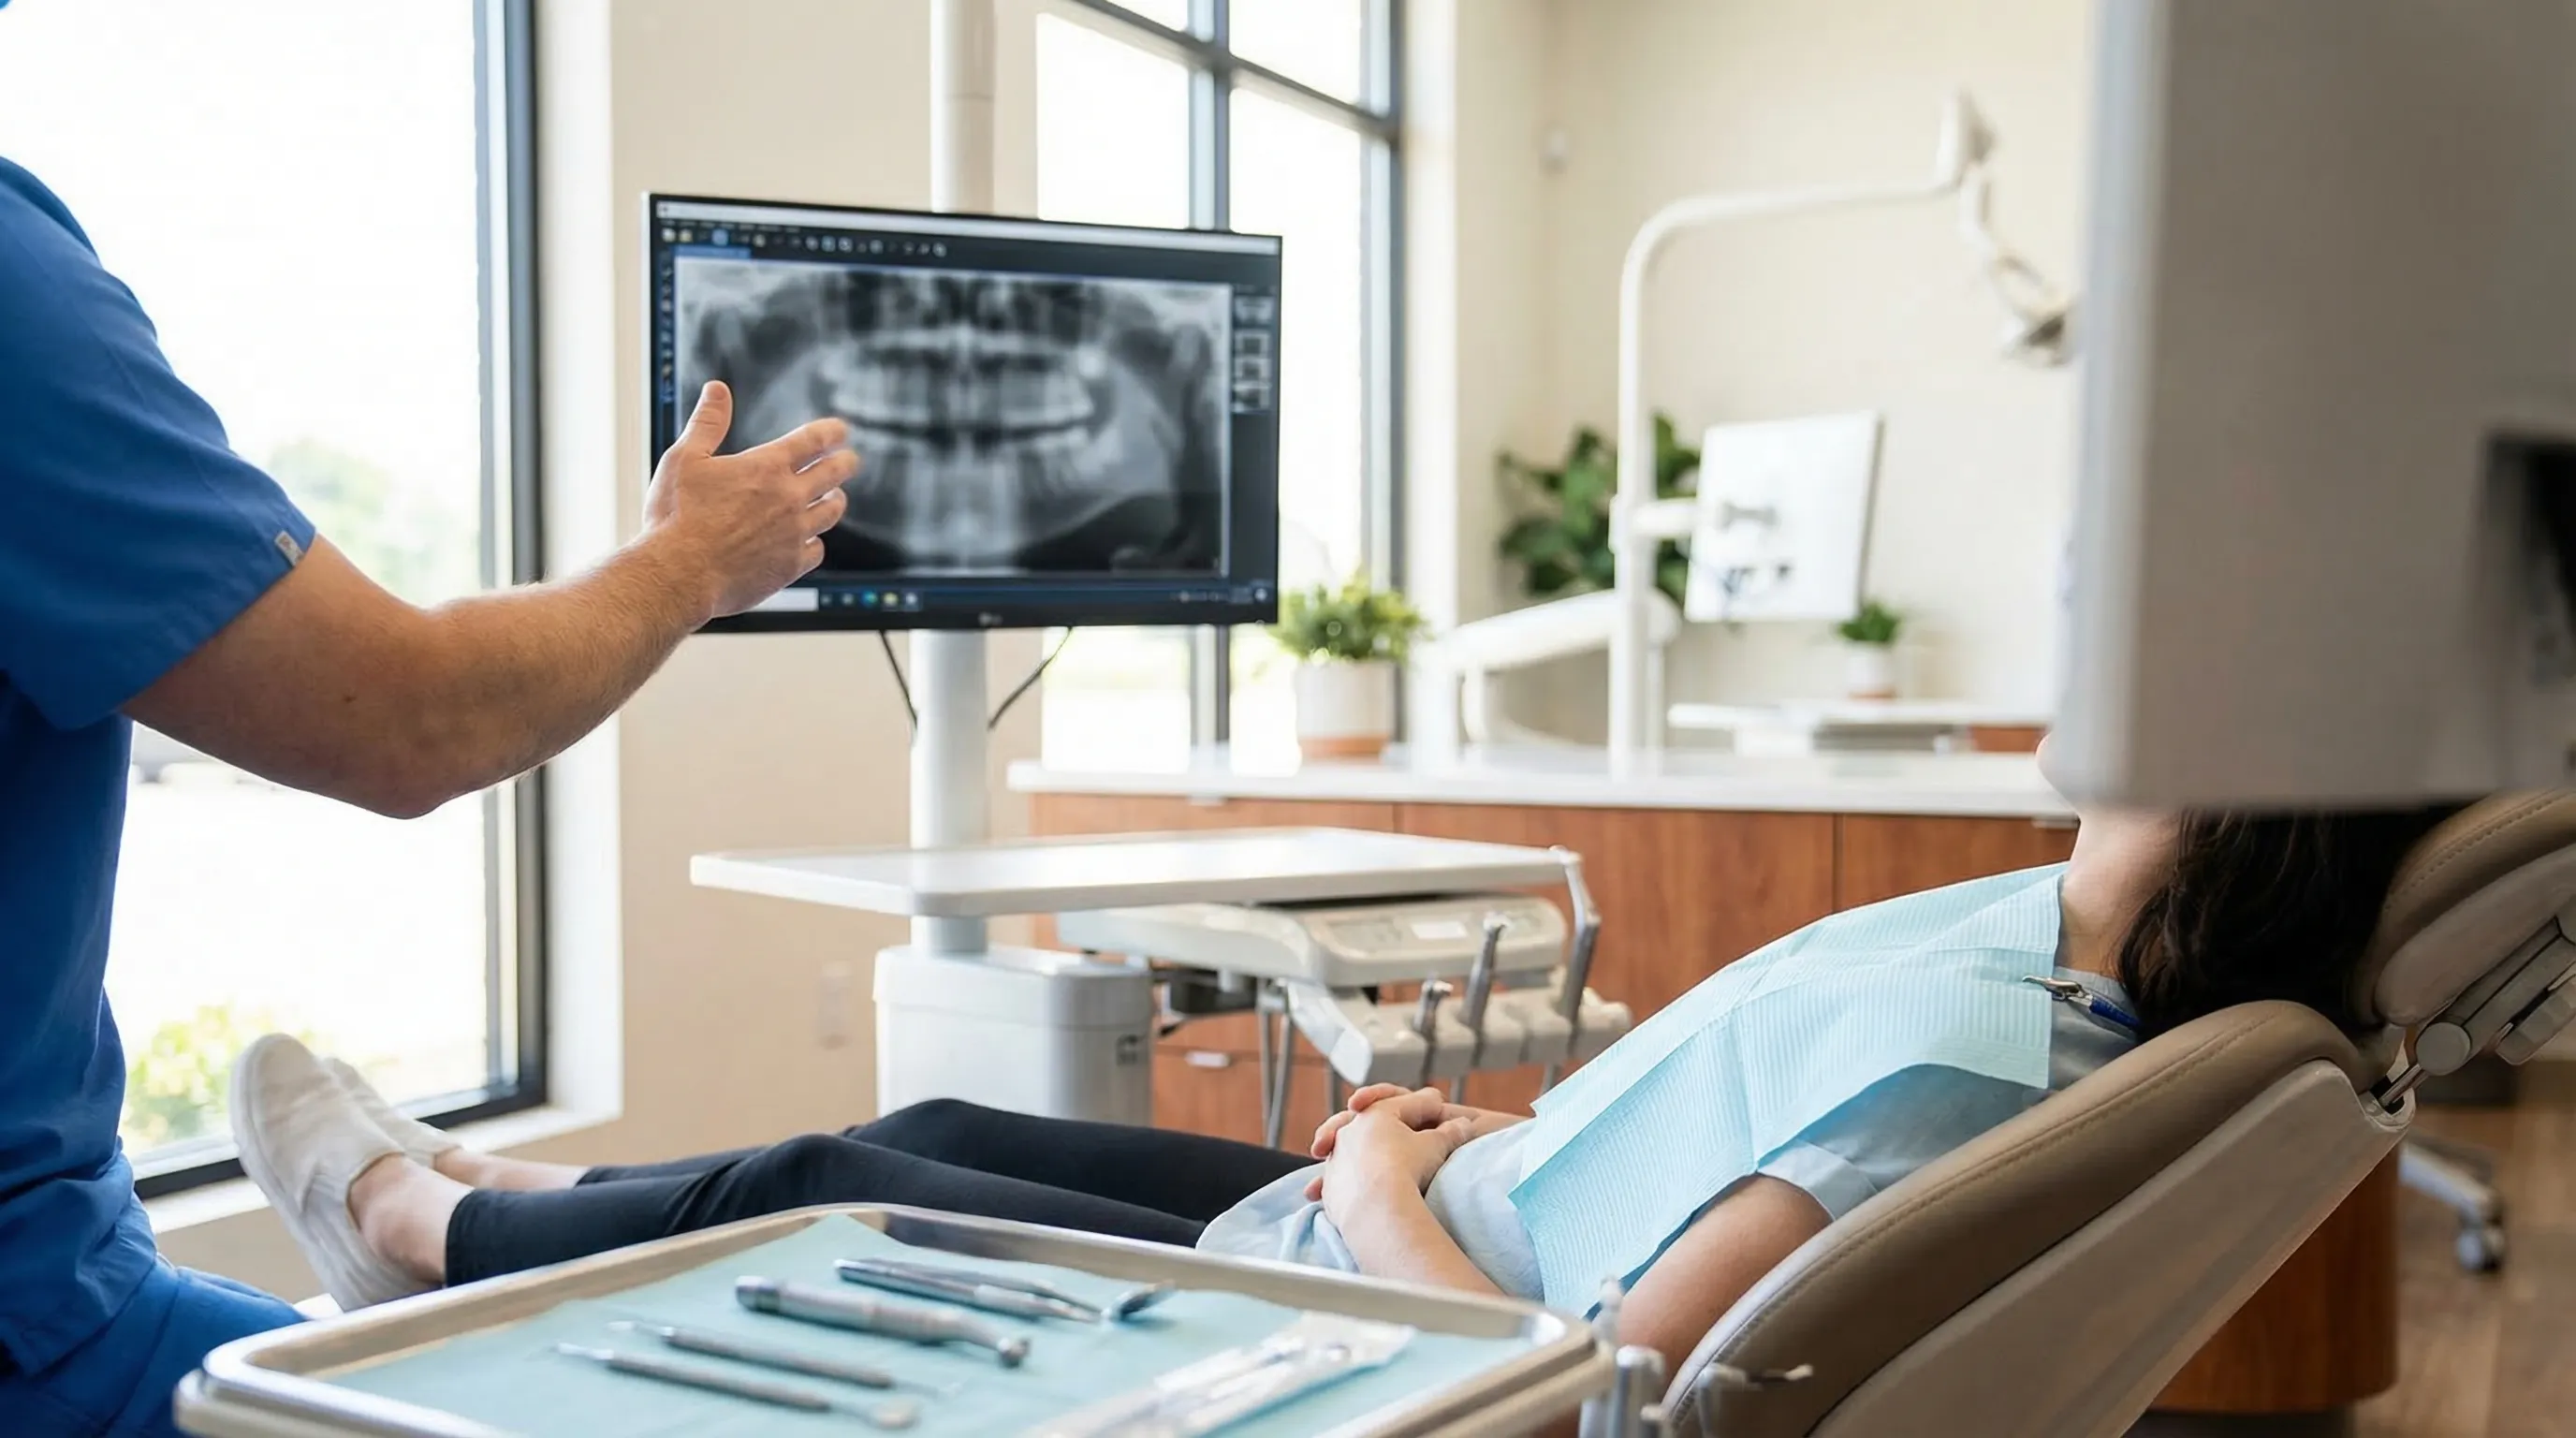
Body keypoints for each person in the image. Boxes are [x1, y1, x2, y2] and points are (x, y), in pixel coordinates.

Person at [233, 795, 2459, 1396]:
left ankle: (415, 1231)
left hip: (1400, 1321)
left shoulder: (1956, 1069)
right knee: (961, 1142)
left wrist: (1396, 1179)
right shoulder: (2014, 965)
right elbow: (1717, 1128)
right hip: (1466, 1209)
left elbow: (1590, 1385)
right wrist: (1497, 1140)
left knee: (852, 1175)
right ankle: (496, 1188)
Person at [0, 154, 858, 1437]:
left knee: (895, 1149)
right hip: (42, 1336)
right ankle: (426, 1210)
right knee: (825, 1183)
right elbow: (408, 717)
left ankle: (437, 1197)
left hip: (60, 1296)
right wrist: (689, 563)